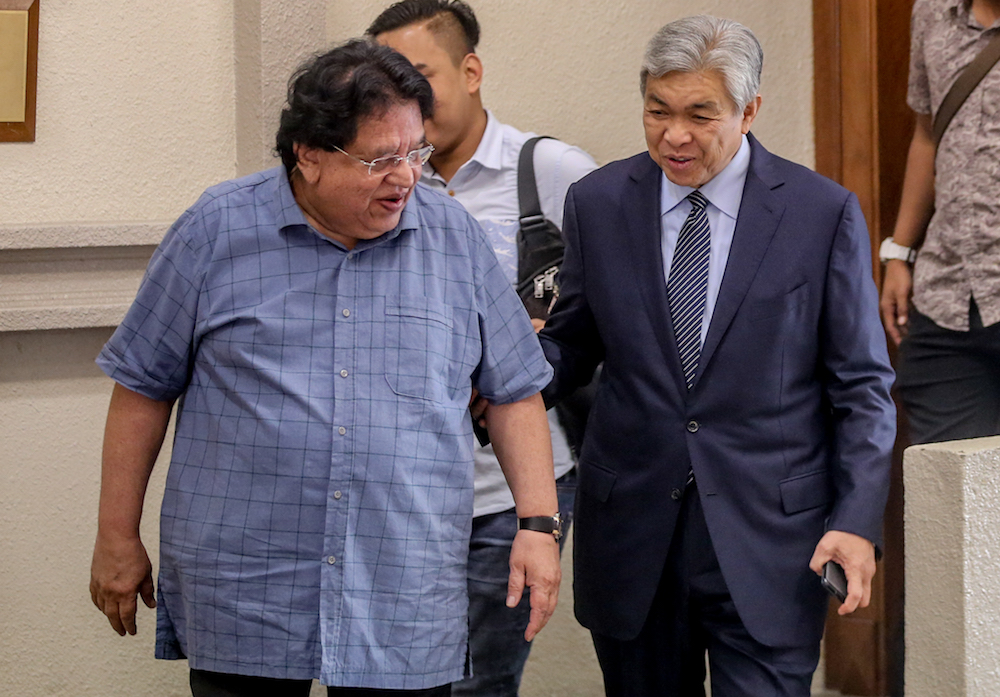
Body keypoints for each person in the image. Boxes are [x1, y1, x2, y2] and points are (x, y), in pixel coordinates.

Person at [88, 39, 563, 697]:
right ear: (308, 155)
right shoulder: (216, 230)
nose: (406, 176)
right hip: (247, 582)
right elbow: (142, 382)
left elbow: (515, 390)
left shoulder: (452, 237)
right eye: (380, 158)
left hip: (401, 579)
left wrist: (538, 526)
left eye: (416, 151)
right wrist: (117, 534)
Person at [538, 15, 896, 696]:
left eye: (701, 114)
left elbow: (863, 390)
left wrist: (854, 521)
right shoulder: (599, 202)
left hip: (770, 541)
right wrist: (508, 365)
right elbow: (573, 343)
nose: (675, 135)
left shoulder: (822, 214)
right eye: (658, 111)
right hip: (635, 531)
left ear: (749, 110)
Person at [366, 3, 597, 696]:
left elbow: (624, 308)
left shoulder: (549, 171)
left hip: (513, 492)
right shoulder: (377, 179)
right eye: (387, 82)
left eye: (419, 76)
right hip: (398, 492)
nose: (404, 99)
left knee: (481, 683)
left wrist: (544, 338)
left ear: (471, 72)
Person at [879, 0, 1000, 446]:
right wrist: (900, 252)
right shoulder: (933, 11)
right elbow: (927, 136)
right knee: (950, 497)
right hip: (947, 299)